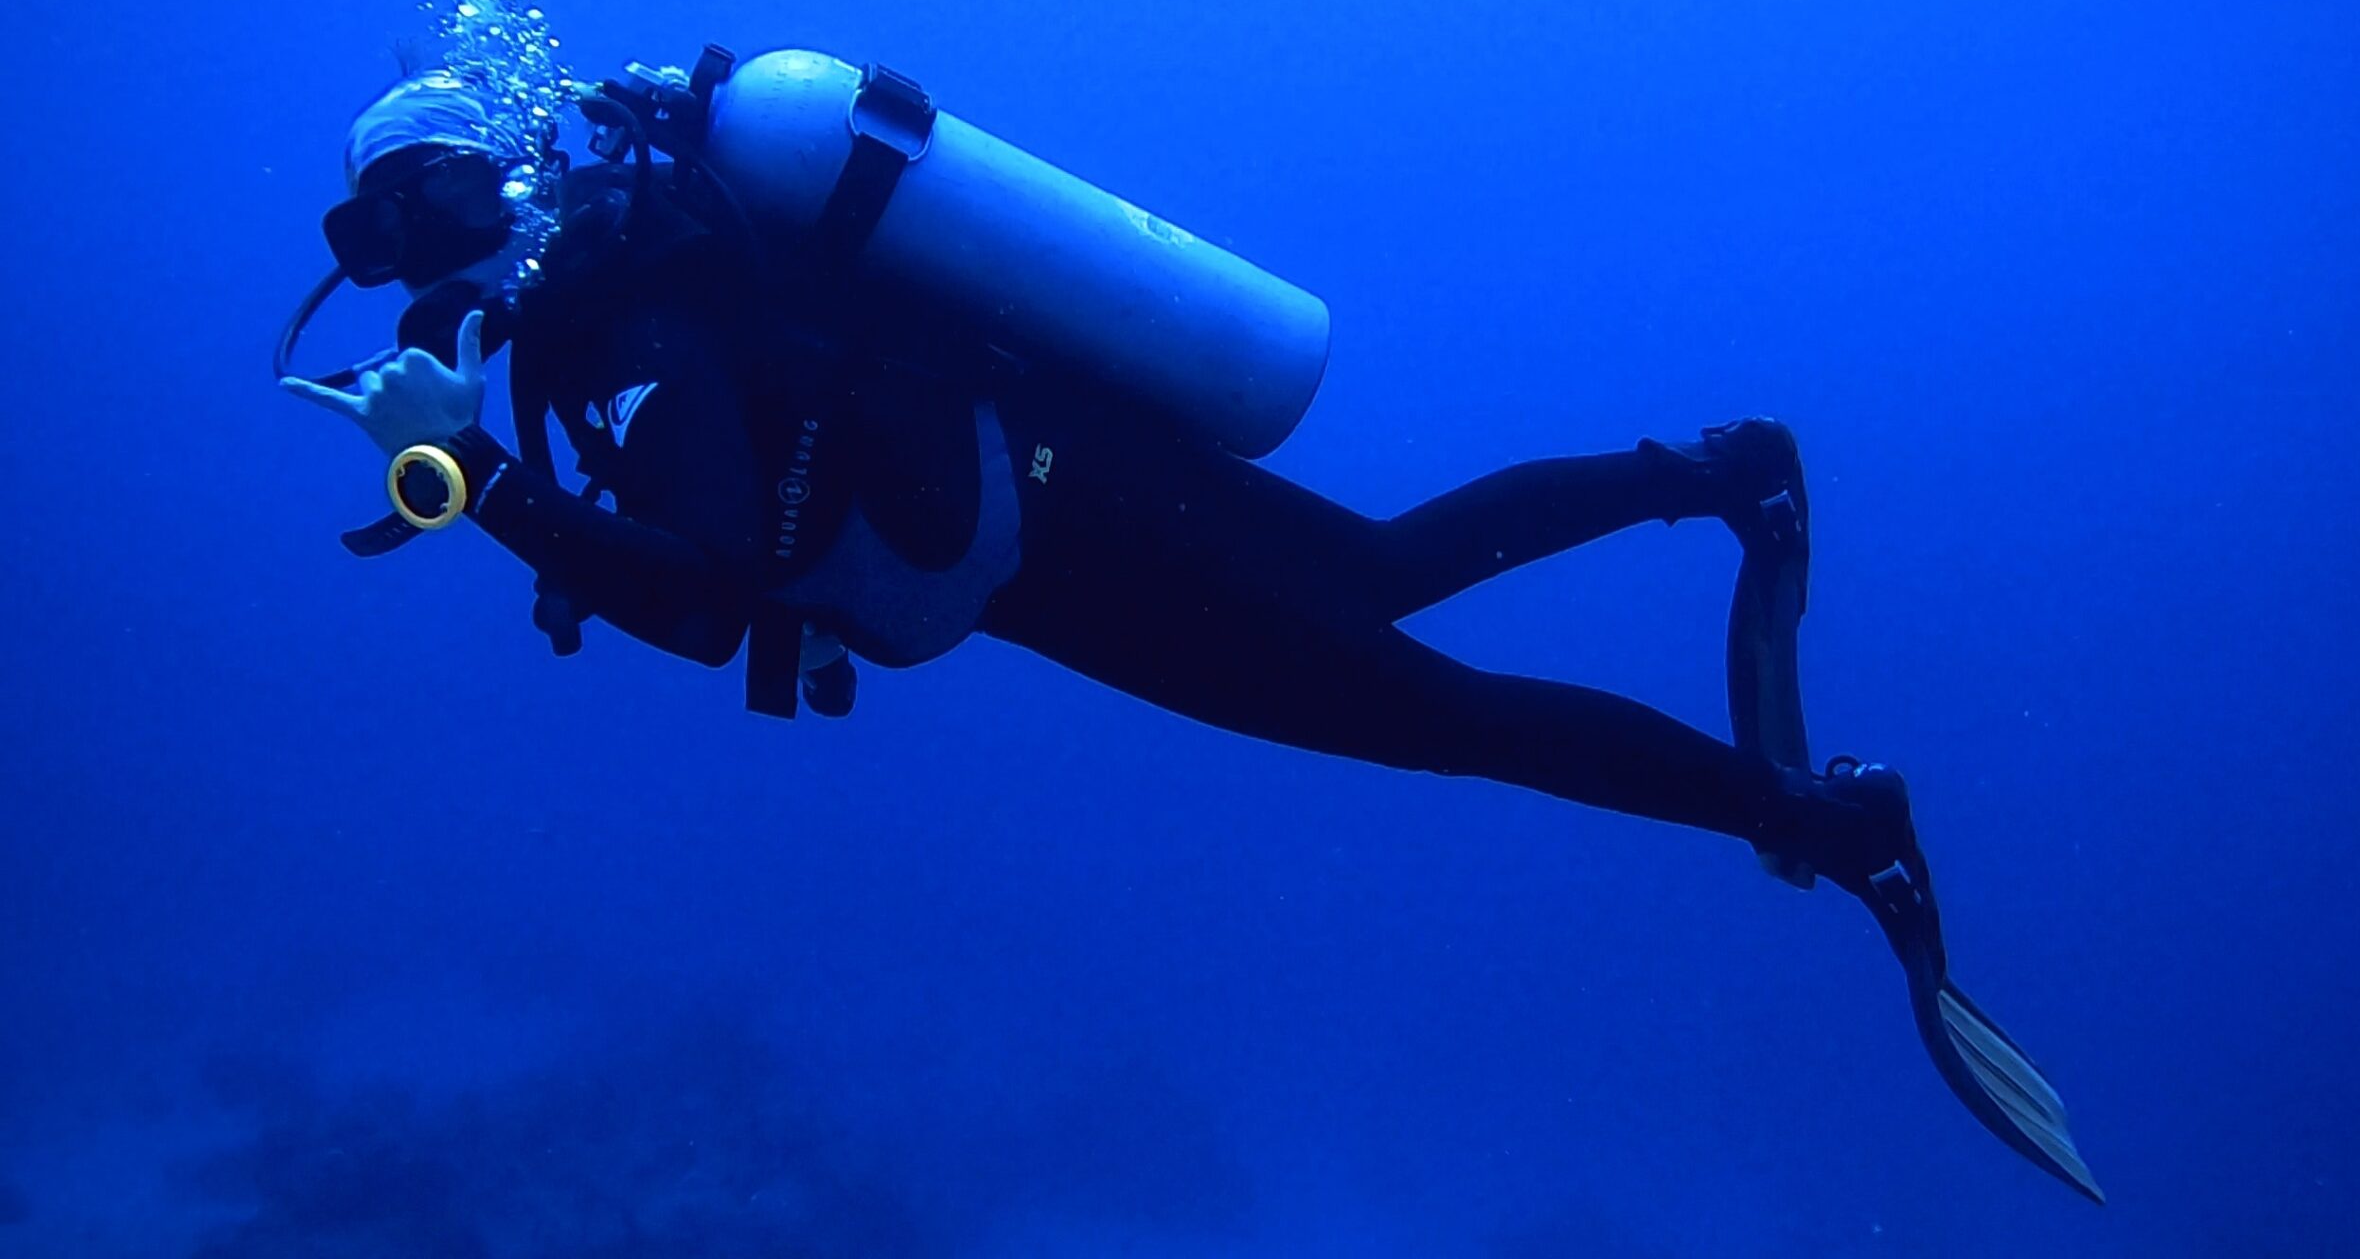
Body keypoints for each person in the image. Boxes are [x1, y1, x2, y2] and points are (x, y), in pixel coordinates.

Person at [279, 58, 2101, 1202]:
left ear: (492, 172)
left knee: (1429, 688)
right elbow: (709, 559)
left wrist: (470, 479)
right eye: (381, 236)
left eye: (426, 201)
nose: (422, 251)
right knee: (1400, 620)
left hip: (1063, 507)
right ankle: (1719, 478)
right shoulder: (619, 305)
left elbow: (697, 600)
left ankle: (1823, 796)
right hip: (1042, 541)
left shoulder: (634, 308)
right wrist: (484, 479)